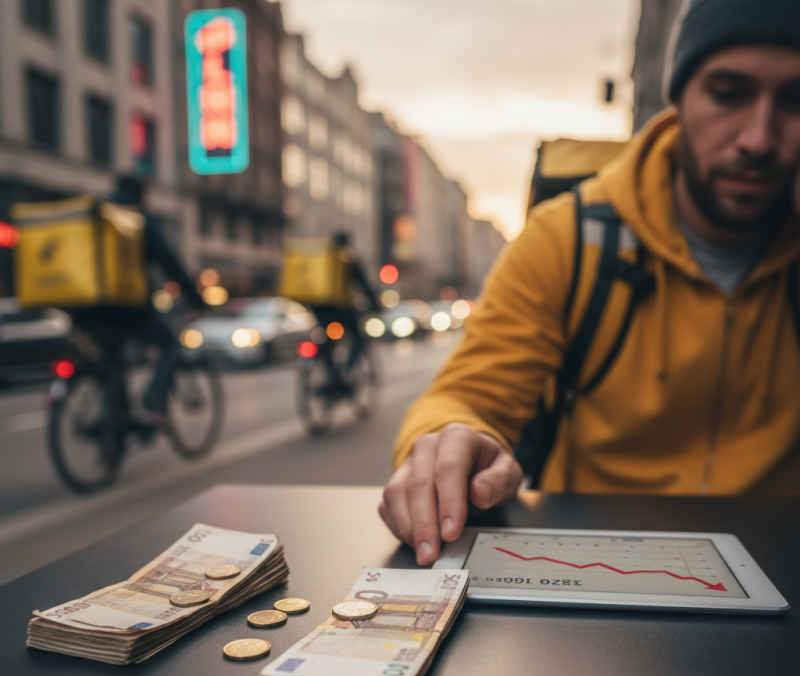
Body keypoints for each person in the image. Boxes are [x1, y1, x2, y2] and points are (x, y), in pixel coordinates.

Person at [380, 0, 800, 565]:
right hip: (598, 568)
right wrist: (448, 443)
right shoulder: (569, 239)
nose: (759, 138)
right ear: (677, 103)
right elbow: (466, 394)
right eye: (728, 94)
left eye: (795, 100)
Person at [70, 175, 205, 420]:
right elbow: (169, 262)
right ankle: (152, 400)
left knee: (111, 359)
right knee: (170, 345)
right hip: (125, 308)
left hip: (83, 309)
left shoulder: (93, 216)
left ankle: (112, 423)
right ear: (143, 194)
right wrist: (195, 298)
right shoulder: (136, 219)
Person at [310, 231, 379, 377]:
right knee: (358, 336)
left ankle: (332, 376)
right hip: (340, 309)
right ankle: (348, 371)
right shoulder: (348, 258)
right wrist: (375, 302)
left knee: (325, 341)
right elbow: (364, 284)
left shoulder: (320, 259)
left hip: (318, 309)